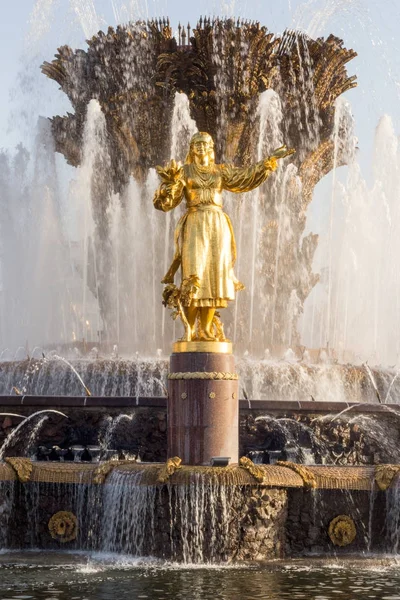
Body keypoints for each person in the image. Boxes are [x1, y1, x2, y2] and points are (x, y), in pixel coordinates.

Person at [154, 132, 293, 341]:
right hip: (194, 223)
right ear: (192, 148)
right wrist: (170, 184)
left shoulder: (220, 172)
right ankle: (190, 329)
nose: (201, 147)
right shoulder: (185, 172)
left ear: (211, 148)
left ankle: (207, 329)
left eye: (205, 144)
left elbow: (245, 178)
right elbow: (166, 204)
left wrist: (270, 160)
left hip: (217, 224)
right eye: (197, 144)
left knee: (214, 277)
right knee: (194, 276)